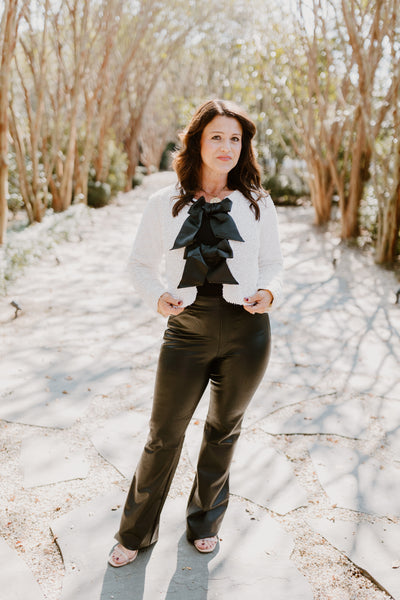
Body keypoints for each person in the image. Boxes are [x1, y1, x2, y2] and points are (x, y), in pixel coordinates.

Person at [108, 98, 283, 567]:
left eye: (235, 138)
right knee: (163, 434)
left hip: (248, 332)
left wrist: (268, 291)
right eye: (216, 137)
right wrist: (156, 298)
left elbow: (272, 264)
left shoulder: (257, 202)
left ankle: (205, 522)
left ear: (243, 146)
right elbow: (138, 265)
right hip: (185, 330)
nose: (227, 147)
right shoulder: (163, 202)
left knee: (224, 431)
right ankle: (135, 532)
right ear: (197, 142)